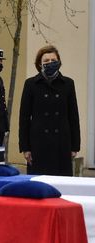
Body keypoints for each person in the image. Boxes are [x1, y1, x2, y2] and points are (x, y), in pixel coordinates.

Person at [19, 45, 80, 176]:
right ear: (40, 64)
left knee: (62, 184)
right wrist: (25, 147)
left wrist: (75, 146)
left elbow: (73, 116)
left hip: (62, 142)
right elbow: (24, 118)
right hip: (38, 143)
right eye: (46, 61)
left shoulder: (68, 83)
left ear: (59, 62)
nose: (50, 63)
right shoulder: (31, 84)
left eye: (53, 60)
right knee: (39, 184)